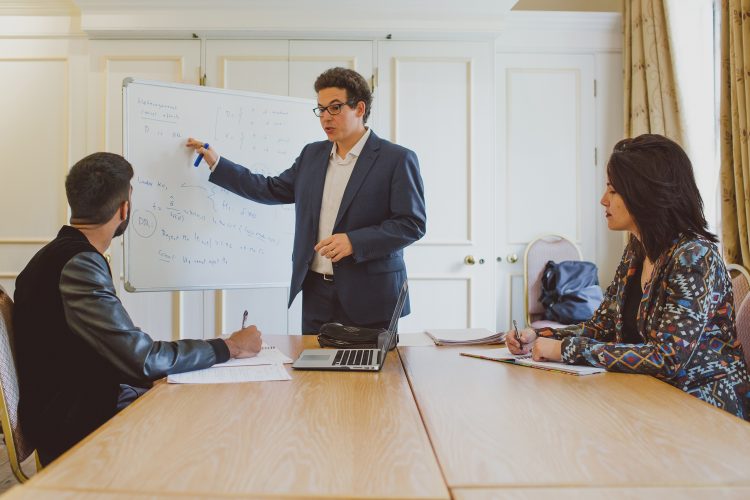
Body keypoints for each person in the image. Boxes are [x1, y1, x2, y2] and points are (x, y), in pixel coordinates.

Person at [13, 152, 263, 465]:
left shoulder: (55, 256)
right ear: (125, 208)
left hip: (77, 409)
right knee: (213, 432)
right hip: (79, 428)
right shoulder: (79, 264)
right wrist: (231, 346)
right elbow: (142, 359)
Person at [506, 134, 750, 420]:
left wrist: (565, 350)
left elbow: (668, 358)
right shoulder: (637, 250)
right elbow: (602, 327)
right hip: (649, 395)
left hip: (703, 405)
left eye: (613, 190)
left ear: (644, 193)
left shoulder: (694, 257)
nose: (603, 200)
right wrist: (540, 336)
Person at [186, 67, 426, 334]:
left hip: (371, 296)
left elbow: (411, 224)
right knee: (315, 374)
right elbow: (271, 189)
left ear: (359, 108)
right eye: (321, 109)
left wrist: (353, 242)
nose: (325, 117)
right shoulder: (312, 155)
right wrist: (217, 163)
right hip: (315, 291)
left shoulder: (397, 159)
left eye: (335, 108)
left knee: (369, 373)